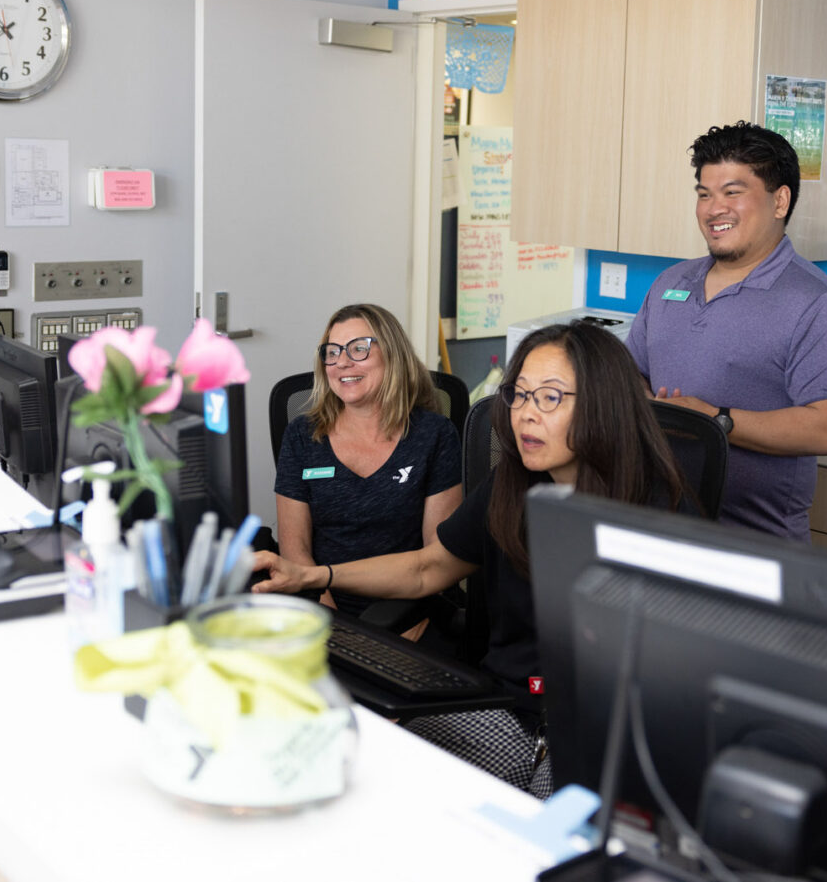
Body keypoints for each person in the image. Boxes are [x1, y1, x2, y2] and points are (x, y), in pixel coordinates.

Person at [254, 321, 691, 797]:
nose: (526, 414)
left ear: (602, 406)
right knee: (363, 772)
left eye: (549, 397)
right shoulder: (514, 485)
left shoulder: (659, 512)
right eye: (520, 395)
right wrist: (318, 574)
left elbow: (677, 670)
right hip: (505, 706)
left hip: (598, 723)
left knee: (544, 843)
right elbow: (428, 568)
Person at [626, 120, 827, 540]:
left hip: (756, 547)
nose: (714, 208)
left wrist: (715, 421)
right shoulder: (668, 284)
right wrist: (652, 414)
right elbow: (630, 372)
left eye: (733, 192)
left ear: (779, 201)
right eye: (704, 194)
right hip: (657, 529)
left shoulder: (815, 302)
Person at [272, 304, 462, 619]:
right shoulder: (301, 436)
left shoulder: (435, 435)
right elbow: (296, 552)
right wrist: (333, 626)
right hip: (325, 604)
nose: (342, 362)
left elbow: (436, 560)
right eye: (332, 352)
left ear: (393, 355)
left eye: (359, 349)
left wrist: (413, 621)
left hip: (410, 605)